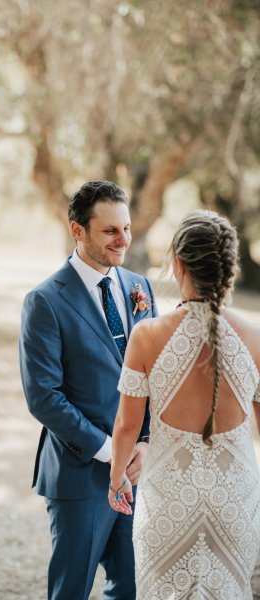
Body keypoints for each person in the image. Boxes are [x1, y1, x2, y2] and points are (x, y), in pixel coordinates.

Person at [109, 210, 260, 599]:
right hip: (236, 503)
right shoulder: (257, 337)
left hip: (167, 505)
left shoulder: (147, 336)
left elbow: (127, 425)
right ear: (230, 268)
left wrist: (116, 479)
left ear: (178, 265)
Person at [19, 180, 158, 600]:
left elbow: (153, 375)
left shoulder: (140, 287)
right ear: (77, 230)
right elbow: (44, 396)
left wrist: (145, 443)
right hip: (80, 474)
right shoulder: (45, 301)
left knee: (133, 587)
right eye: (110, 231)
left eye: (127, 228)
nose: (123, 240)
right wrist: (109, 450)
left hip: (136, 472)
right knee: (71, 590)